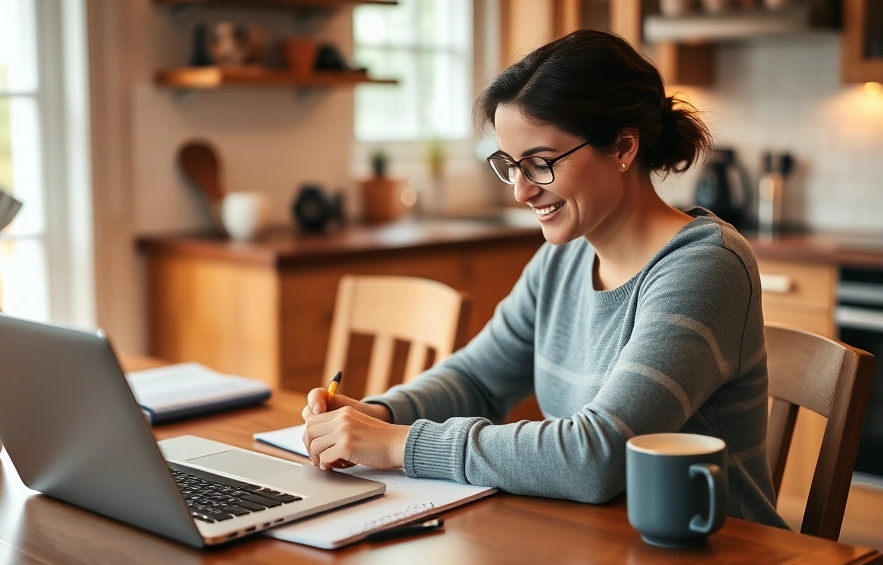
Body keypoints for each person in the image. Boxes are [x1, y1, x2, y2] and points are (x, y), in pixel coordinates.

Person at [301, 30, 787, 527]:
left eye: (540, 163)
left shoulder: (705, 265)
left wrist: (400, 444)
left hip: (719, 553)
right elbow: (476, 378)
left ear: (622, 146)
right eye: (510, 165)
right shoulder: (565, 258)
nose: (520, 192)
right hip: (601, 542)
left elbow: (597, 457)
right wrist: (379, 416)